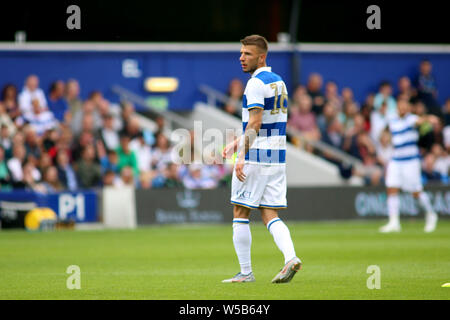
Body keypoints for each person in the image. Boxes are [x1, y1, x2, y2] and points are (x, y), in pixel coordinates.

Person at [221, 35, 301, 284]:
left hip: (257, 156)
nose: (241, 58)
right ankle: (291, 258)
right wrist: (237, 142)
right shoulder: (279, 82)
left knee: (240, 211)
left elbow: (255, 123)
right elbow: (265, 122)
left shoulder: (254, 84)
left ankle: (246, 273)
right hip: (276, 157)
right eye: (241, 52)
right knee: (269, 213)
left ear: (261, 57)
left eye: (247, 54)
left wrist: (241, 156)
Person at [380, 99, 439, 233]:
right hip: (396, 160)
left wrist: (430, 118)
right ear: (396, 108)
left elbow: (421, 120)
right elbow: (386, 132)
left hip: (410, 161)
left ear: (408, 108)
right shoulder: (392, 120)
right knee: (391, 188)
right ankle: (394, 222)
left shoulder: (411, 119)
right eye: (400, 106)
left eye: (404, 106)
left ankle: (431, 213)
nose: (402, 109)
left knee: (416, 192)